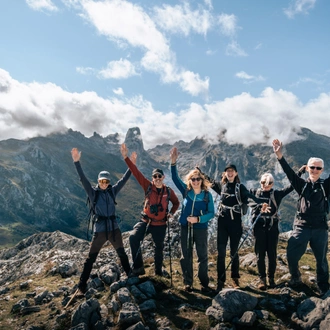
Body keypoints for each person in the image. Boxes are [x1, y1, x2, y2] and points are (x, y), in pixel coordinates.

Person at [197, 163, 269, 292]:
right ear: (225, 174)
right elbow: (210, 181)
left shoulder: (239, 187)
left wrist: (259, 205)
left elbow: (249, 198)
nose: (229, 173)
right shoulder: (222, 186)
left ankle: (235, 279)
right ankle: (221, 280)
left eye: (232, 171)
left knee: (234, 252)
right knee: (221, 252)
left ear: (235, 174)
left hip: (235, 223)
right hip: (222, 222)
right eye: (227, 171)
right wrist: (200, 172)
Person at [71, 147, 134, 294]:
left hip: (113, 229)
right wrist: (76, 162)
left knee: (122, 253)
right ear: (98, 181)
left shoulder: (113, 191)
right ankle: (81, 285)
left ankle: (129, 273)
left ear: (109, 182)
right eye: (101, 181)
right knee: (90, 258)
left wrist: (131, 163)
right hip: (99, 231)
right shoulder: (93, 193)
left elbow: (124, 179)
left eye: (106, 181)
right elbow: (83, 179)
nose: (104, 183)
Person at [272, 139, 330, 295]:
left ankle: (323, 285)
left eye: (318, 168)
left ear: (322, 169)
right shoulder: (301, 184)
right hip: (302, 226)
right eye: (312, 167)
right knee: (291, 254)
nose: (315, 170)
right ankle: (296, 277)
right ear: (307, 168)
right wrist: (279, 155)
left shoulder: (326, 185)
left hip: (320, 227)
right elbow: (289, 173)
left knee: (321, 260)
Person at [120, 143, 180, 277]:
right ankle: (139, 267)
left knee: (159, 248)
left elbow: (176, 203)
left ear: (163, 178)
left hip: (161, 224)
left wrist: (171, 213)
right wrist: (126, 158)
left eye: (160, 176)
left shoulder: (168, 191)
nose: (157, 179)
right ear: (152, 178)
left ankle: (158, 271)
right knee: (133, 238)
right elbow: (135, 172)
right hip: (146, 220)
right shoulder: (147, 185)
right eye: (155, 177)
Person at [170, 147, 215, 293]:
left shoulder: (207, 195)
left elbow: (211, 213)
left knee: (202, 256)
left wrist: (198, 219)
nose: (195, 181)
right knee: (186, 255)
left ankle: (204, 283)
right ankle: (188, 282)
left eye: (198, 179)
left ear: (202, 180)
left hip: (200, 228)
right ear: (190, 181)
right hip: (186, 227)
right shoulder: (186, 191)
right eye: (193, 179)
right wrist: (173, 162)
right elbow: (175, 178)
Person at [249, 172, 296, 290]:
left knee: (272, 254)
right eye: (264, 182)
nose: (266, 185)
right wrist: (259, 207)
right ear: (260, 182)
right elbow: (244, 198)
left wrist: (299, 173)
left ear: (272, 183)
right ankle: (262, 279)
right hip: (259, 227)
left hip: (272, 227)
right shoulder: (254, 193)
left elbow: (292, 186)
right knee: (260, 254)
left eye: (269, 183)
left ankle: (271, 279)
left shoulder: (276, 194)